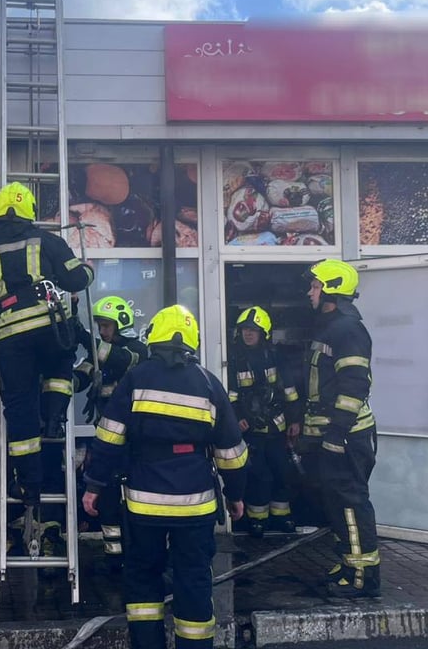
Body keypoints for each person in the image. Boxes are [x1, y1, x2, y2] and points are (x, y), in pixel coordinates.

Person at [82, 305, 247, 649]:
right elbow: (231, 452)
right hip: (196, 506)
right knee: (194, 581)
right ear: (191, 340)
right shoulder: (208, 383)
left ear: (154, 338)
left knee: (142, 579)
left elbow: (109, 437)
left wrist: (95, 485)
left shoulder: (137, 378)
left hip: (145, 504)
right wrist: (236, 495)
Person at [0, 181, 94, 506]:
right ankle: (56, 417)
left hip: (10, 339)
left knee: (20, 408)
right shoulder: (48, 241)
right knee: (61, 361)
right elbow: (76, 280)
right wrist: (87, 270)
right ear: (30, 212)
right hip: (48, 328)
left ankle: (29, 486)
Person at [302, 259, 380, 599]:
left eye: (315, 286)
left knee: (351, 503)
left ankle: (363, 576)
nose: (309, 292)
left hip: (347, 437)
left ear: (331, 289)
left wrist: (336, 434)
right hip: (333, 435)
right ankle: (349, 563)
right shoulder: (331, 326)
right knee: (336, 503)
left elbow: (353, 386)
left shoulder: (347, 330)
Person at [74, 294, 148, 570]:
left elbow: (116, 359)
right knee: (106, 496)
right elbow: (83, 373)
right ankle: (113, 554)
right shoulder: (101, 352)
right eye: (100, 326)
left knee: (135, 497)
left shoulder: (138, 350)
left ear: (122, 323)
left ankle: (139, 553)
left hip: (133, 441)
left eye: (107, 325)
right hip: (106, 438)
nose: (103, 331)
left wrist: (83, 337)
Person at [228, 306, 302, 538]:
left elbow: (290, 392)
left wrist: (295, 420)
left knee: (283, 472)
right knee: (258, 475)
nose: (248, 334)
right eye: (245, 330)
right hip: (251, 431)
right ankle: (257, 519)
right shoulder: (233, 360)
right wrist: (237, 418)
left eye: (253, 330)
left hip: (277, 428)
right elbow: (229, 397)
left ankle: (281, 516)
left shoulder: (275, 356)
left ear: (263, 333)